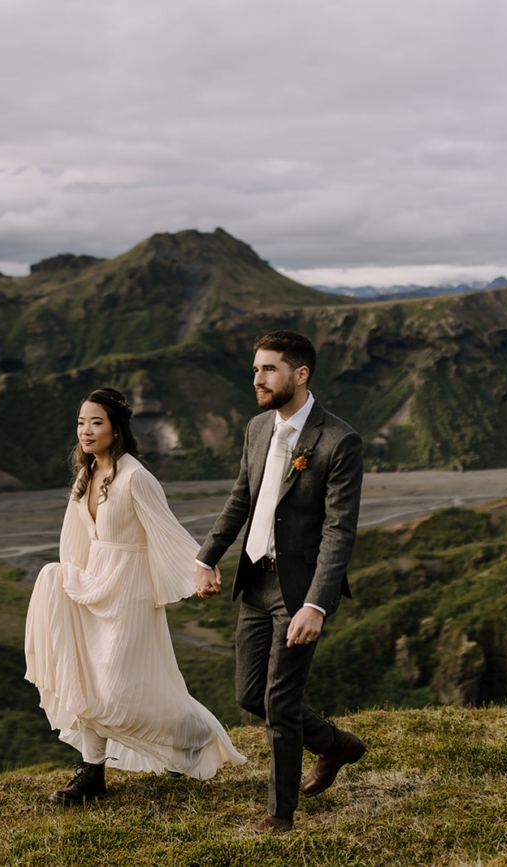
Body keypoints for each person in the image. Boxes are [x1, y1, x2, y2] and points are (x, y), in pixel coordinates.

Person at [24, 387, 246, 804]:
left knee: (118, 688)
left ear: (116, 428)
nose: (86, 431)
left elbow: (167, 530)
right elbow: (76, 537)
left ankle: (194, 738)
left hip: (128, 591)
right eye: (81, 422)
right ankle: (93, 776)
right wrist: (72, 581)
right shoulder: (86, 475)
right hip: (92, 587)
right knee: (85, 680)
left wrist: (202, 569)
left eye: (96, 422)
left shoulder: (135, 477)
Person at [194, 330, 367, 835]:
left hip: (299, 590)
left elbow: (340, 531)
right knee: (251, 696)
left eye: (268, 369)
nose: (257, 378)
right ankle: (337, 745)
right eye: (255, 369)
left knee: (281, 702)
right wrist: (206, 557)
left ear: (300, 374)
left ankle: (280, 813)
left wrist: (317, 603)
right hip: (254, 582)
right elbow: (240, 499)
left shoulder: (339, 440)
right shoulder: (255, 429)